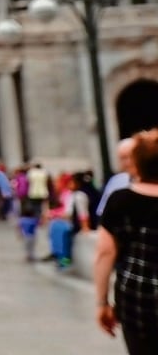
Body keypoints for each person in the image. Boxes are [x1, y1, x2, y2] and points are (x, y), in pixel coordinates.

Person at [95, 129, 158, 354]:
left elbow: (105, 253)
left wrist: (102, 303)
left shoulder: (120, 200)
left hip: (138, 301)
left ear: (137, 164)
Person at [98, 137, 138, 219]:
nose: (127, 162)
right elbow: (103, 212)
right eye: (123, 158)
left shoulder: (152, 178)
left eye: (130, 156)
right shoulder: (116, 181)